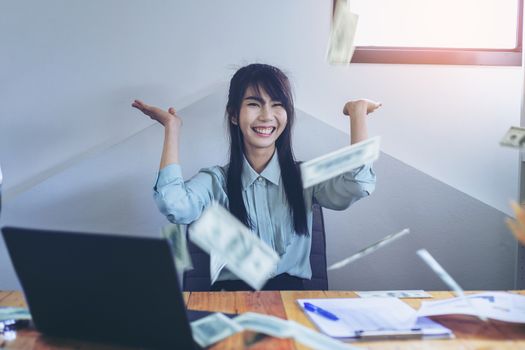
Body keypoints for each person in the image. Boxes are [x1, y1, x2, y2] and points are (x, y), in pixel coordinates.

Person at [132, 63, 380, 291]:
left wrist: (357, 114)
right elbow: (173, 205)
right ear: (233, 115)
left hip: (291, 300)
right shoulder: (215, 180)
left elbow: (358, 184)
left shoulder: (304, 176)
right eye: (254, 104)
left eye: (277, 104)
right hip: (230, 302)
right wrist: (171, 129)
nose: (266, 115)